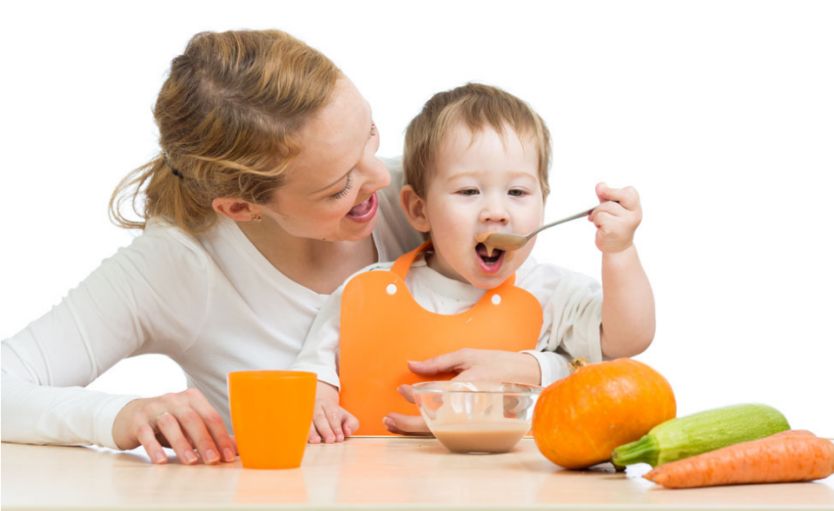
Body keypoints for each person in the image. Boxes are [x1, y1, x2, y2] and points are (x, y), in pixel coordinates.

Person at [0, 29, 423, 465]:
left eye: (370, 133)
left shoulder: (435, 199)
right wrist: (120, 415)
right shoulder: (180, 266)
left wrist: (501, 379)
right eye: (340, 187)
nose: (383, 178)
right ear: (241, 207)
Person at [291, 83, 655, 441]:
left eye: (517, 192)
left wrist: (619, 252)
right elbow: (313, 373)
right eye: (468, 191)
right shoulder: (363, 291)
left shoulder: (551, 292)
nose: (495, 212)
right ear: (419, 210)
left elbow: (627, 340)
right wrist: (319, 400)